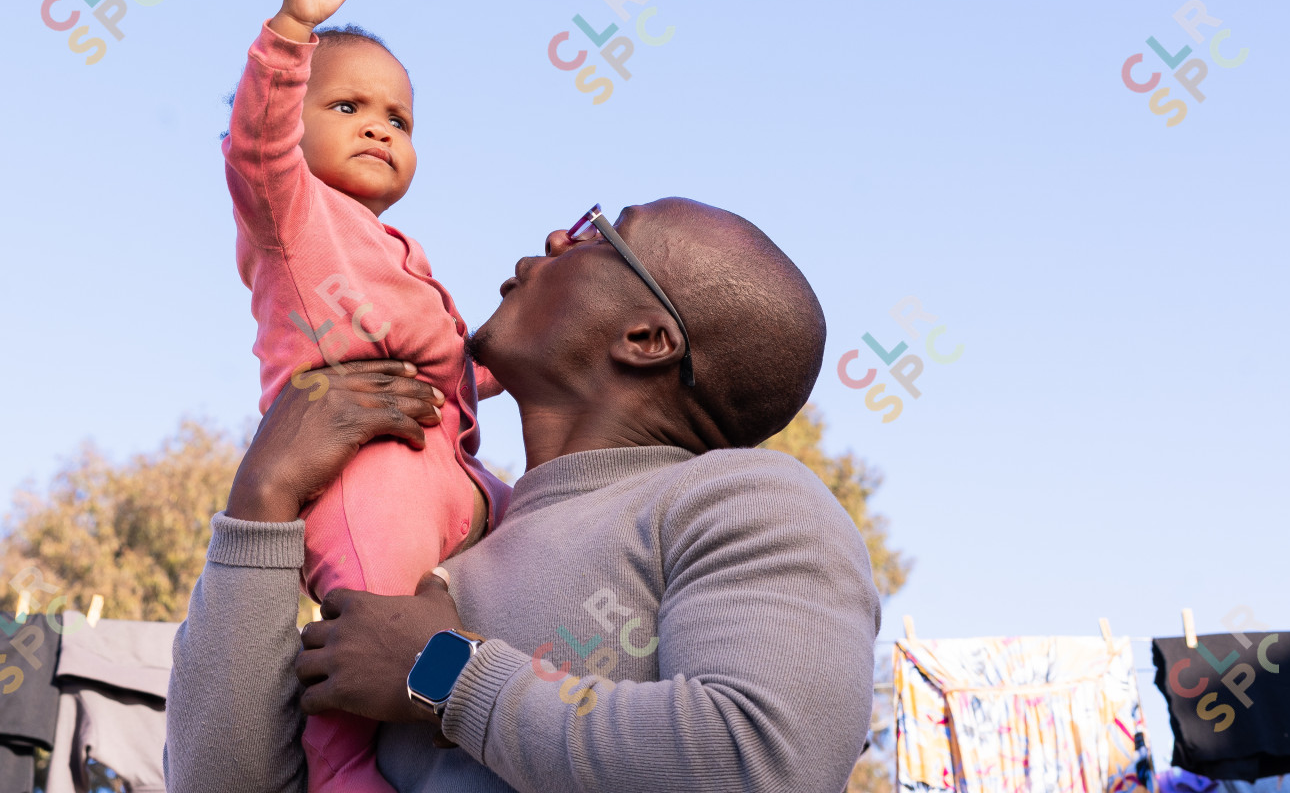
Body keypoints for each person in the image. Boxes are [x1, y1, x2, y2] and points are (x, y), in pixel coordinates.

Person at [167, 199, 882, 793]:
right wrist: (263, 501)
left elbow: (761, 764)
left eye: (599, 236)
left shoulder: (749, 500)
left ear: (645, 338)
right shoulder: (452, 540)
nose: (555, 239)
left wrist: (443, 672)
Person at [221, 0, 512, 793]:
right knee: (368, 636)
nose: (379, 128)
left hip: (453, 472)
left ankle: (498, 725)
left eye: (399, 118)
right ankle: (342, 774)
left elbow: (453, 364)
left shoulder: (397, 248)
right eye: (346, 107)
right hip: (368, 475)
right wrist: (292, 31)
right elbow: (256, 145)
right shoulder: (291, 214)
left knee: (536, 543)